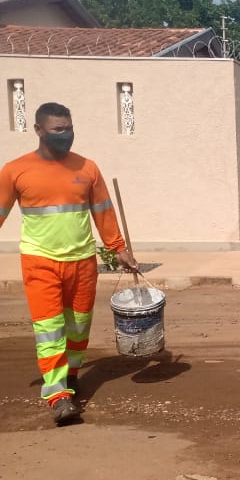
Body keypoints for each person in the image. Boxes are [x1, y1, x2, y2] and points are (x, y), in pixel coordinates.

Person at [0, 102, 138, 425]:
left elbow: (103, 211)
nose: (66, 135)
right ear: (39, 130)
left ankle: (71, 374)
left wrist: (119, 248)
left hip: (82, 261)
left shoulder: (87, 169)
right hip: (40, 262)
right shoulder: (14, 171)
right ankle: (58, 395)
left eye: (69, 128)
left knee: (77, 327)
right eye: (58, 130)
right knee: (49, 330)